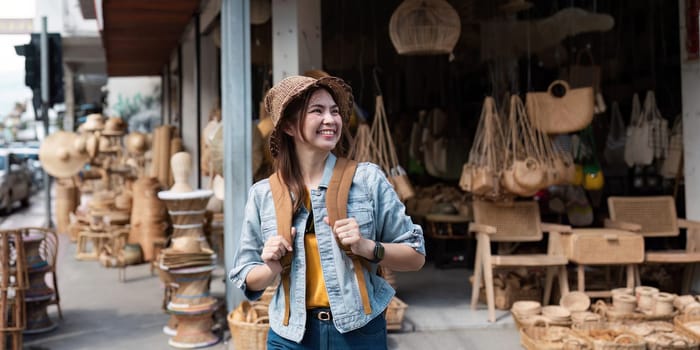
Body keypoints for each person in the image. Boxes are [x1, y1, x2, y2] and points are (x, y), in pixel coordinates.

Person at [229, 75, 425, 349]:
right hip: (290, 337)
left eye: (334, 111)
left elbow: (415, 256)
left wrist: (367, 247)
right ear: (287, 125)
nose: (331, 120)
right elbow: (246, 274)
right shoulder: (263, 194)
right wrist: (270, 268)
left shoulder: (368, 180)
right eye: (317, 111)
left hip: (358, 333)